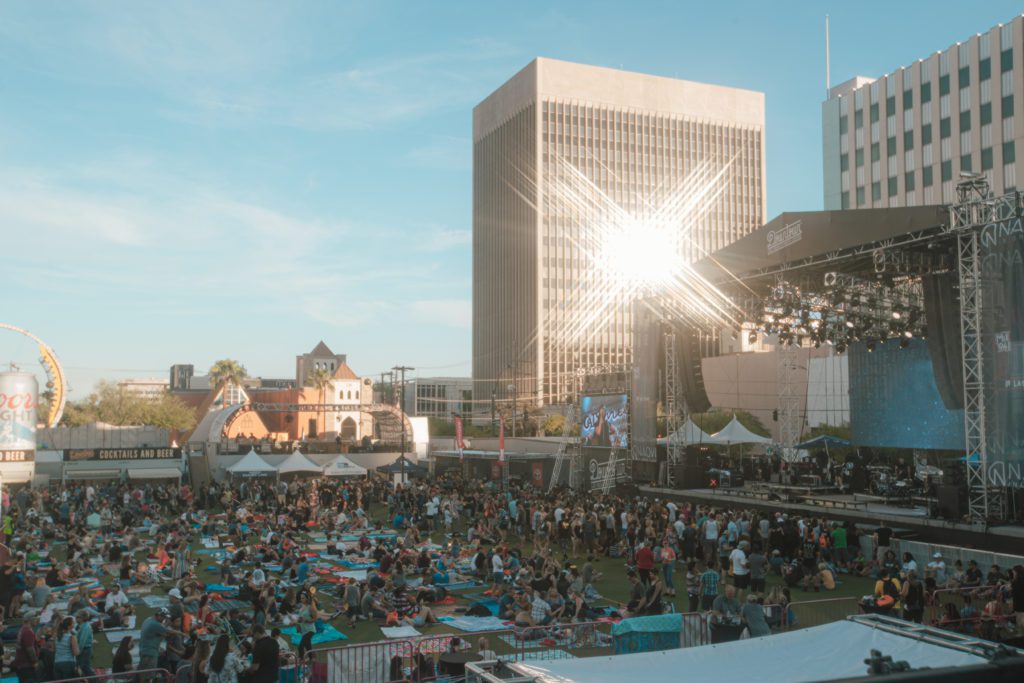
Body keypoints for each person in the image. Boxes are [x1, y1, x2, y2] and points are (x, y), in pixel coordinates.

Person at [13, 614, 39, 683]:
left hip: (21, 665)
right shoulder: (28, 631)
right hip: (27, 665)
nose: (37, 620)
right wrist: (35, 662)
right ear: (30, 620)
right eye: (35, 618)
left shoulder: (22, 630)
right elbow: (30, 649)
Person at [52, 616, 80, 681]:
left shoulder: (56, 636)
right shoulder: (72, 637)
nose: (74, 624)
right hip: (68, 663)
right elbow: (76, 653)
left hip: (57, 663)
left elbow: (54, 650)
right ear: (69, 626)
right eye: (73, 623)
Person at [75, 609, 96, 677]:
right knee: (86, 669)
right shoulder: (80, 626)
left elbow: (82, 642)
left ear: (83, 618)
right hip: (84, 650)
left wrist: (77, 652)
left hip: (85, 650)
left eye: (78, 617)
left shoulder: (86, 627)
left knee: (82, 668)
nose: (76, 618)